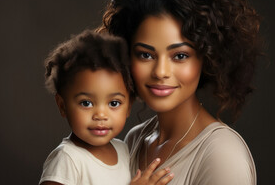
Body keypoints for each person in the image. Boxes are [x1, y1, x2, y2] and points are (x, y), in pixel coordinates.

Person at [96, 0, 262, 184]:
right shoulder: (136, 139)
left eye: (180, 56)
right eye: (146, 55)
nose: (161, 72)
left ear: (207, 58)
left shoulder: (222, 155)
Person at [39, 30, 174, 185]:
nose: (101, 115)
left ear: (128, 106)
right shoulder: (67, 159)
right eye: (86, 103)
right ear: (62, 106)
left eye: (114, 103)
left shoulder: (122, 150)